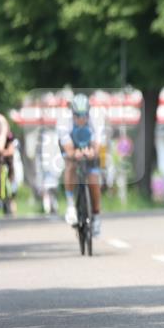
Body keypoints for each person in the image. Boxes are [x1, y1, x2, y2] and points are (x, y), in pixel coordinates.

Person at [58, 94, 102, 235]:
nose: (82, 119)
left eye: (84, 115)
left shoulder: (96, 118)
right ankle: (71, 204)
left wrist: (93, 152)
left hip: (89, 146)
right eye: (78, 115)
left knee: (94, 180)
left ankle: (96, 216)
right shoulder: (64, 120)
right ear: (72, 113)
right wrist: (73, 154)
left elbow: (97, 143)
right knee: (70, 165)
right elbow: (67, 147)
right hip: (71, 145)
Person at [0, 99, 19, 212]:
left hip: (3, 153)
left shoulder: (2, 123)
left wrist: (1, 150)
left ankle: (9, 193)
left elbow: (3, 145)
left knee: (8, 168)